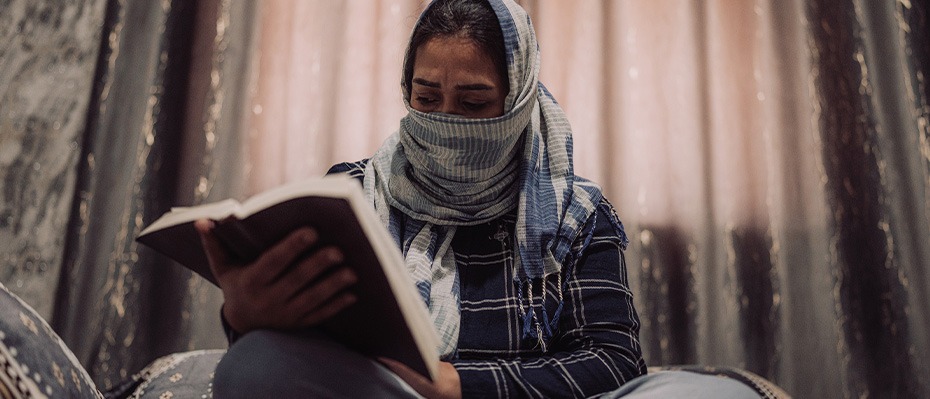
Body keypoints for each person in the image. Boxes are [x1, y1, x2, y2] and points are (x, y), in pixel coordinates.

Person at [195, 0, 761, 398]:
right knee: (252, 366)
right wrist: (245, 316)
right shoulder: (352, 193)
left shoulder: (574, 213)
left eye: (473, 103)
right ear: (406, 92)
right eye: (426, 97)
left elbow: (612, 363)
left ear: (516, 104)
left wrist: (461, 386)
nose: (444, 121)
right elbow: (309, 357)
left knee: (706, 393)